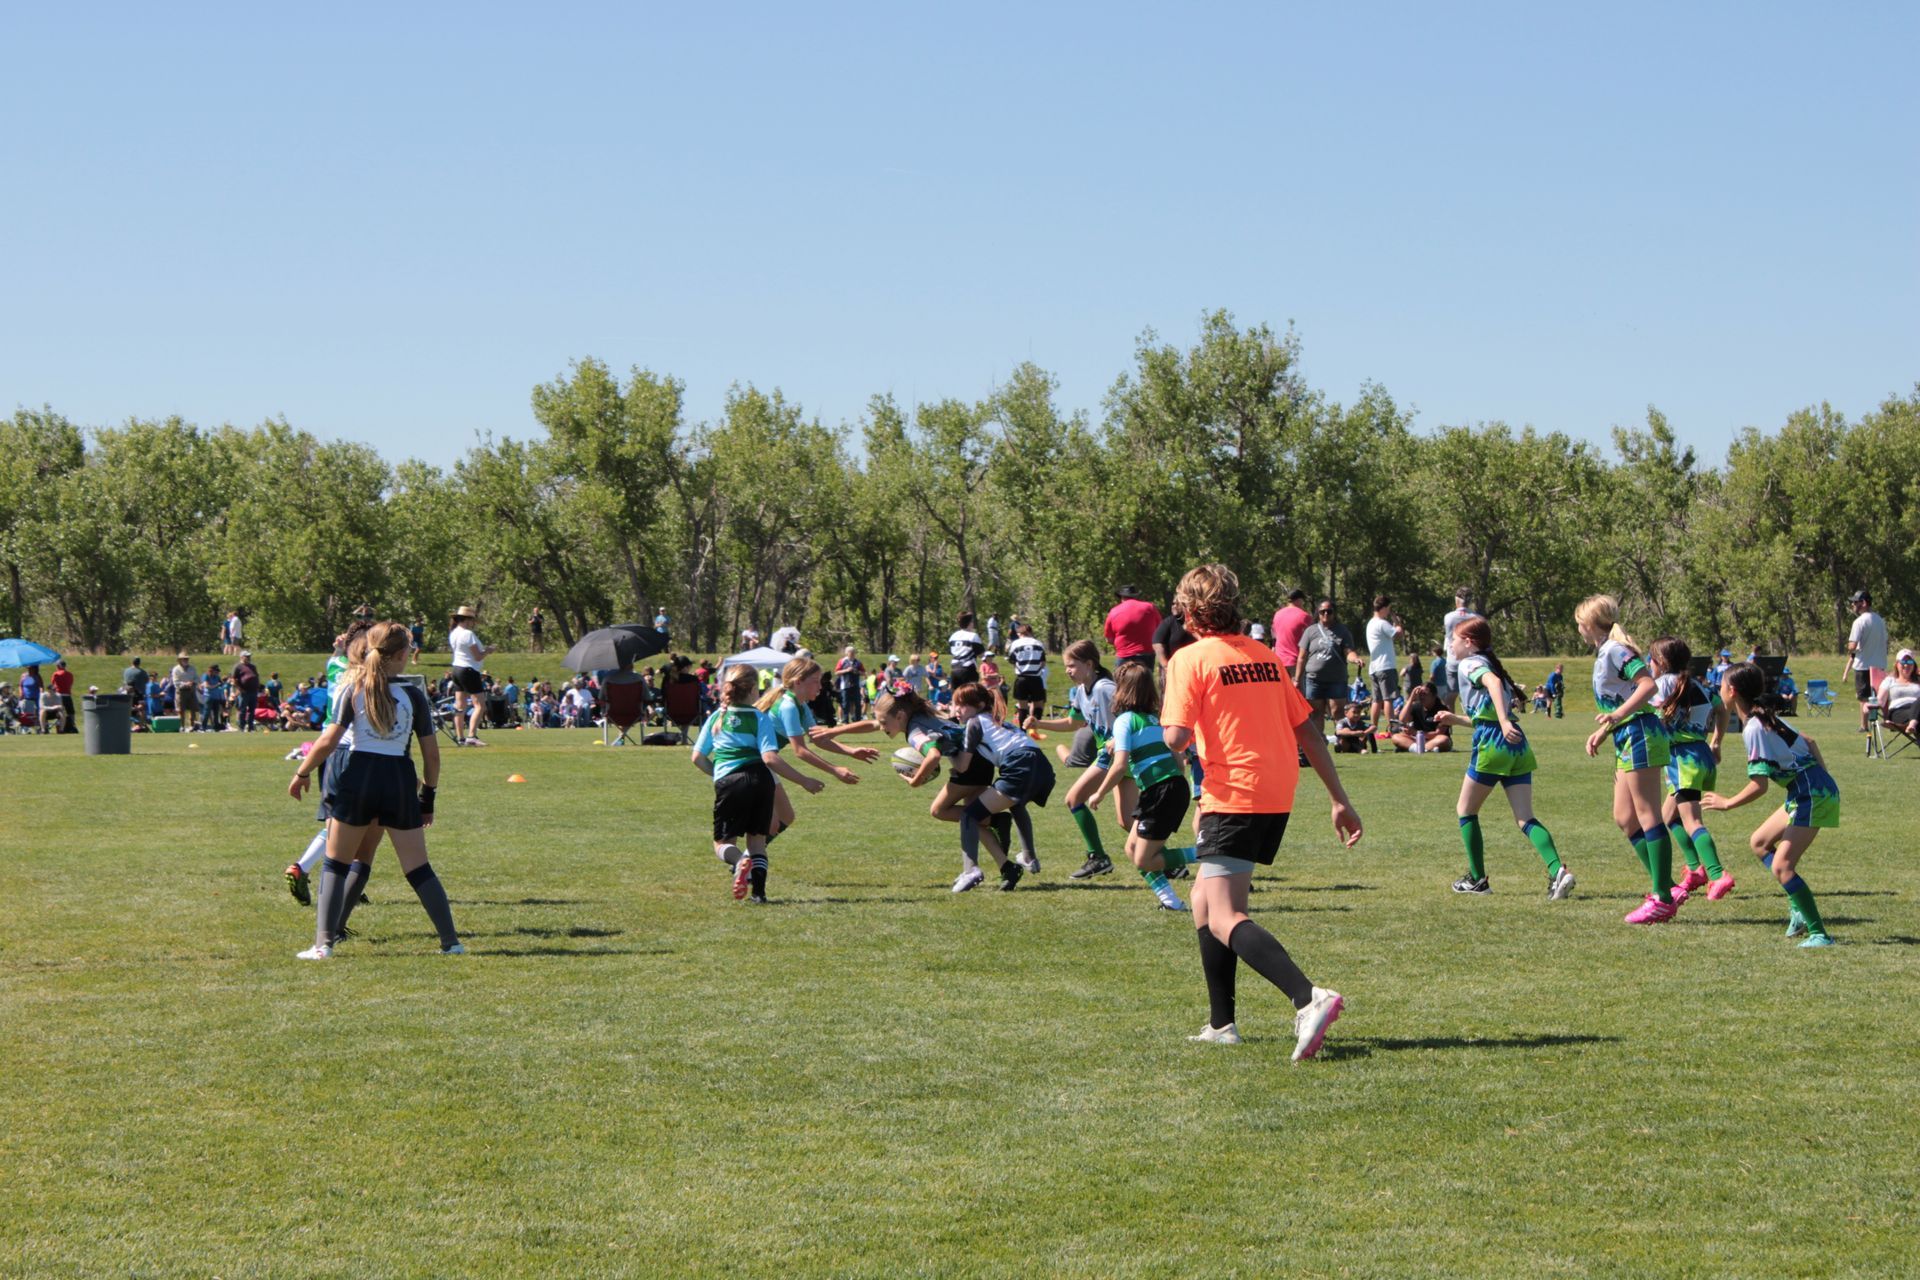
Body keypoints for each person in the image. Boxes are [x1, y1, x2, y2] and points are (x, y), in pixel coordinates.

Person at [1159, 563, 1358, 1060]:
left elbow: (1176, 737)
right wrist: (1339, 798)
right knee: (1203, 901)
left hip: (1235, 792)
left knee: (1224, 914)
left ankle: (1307, 997)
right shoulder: (1265, 656)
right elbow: (1306, 729)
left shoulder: (1189, 659)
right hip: (1274, 791)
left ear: (1189, 611)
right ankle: (1221, 1024)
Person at [288, 622, 463, 959]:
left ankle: (323, 945)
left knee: (335, 864)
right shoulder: (413, 695)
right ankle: (451, 943)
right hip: (399, 778)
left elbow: (328, 740)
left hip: (359, 777)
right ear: (403, 655)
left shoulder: (355, 688)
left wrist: (302, 772)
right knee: (419, 868)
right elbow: (431, 755)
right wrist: (427, 798)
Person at [1432, 617, 1572, 898]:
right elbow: (1487, 716)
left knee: (1466, 810)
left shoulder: (1470, 664)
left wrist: (1505, 721)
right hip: (1516, 744)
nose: (1451, 644)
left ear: (1468, 642)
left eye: (1454, 639)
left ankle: (1477, 880)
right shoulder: (1488, 662)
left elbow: (1494, 686)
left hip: (1494, 743)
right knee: (1525, 818)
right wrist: (1456, 719)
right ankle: (1558, 871)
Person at [1703, 662, 1839, 947]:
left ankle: (1819, 934)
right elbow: (1810, 741)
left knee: (1783, 867)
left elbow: (1759, 786)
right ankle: (1798, 909)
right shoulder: (1762, 717)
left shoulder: (1754, 727)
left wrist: (1727, 803)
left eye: (1721, 685)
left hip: (1811, 792)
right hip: (1807, 789)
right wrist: (1822, 777)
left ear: (1732, 690)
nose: (1718, 689)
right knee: (1760, 843)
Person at [1578, 594, 1682, 924]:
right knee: (1625, 817)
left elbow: (1647, 686)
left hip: (1641, 733)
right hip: (1627, 734)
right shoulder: (1604, 652)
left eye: (1579, 623)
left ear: (1589, 623)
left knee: (1648, 814)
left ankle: (1662, 898)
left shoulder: (1614, 650)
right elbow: (1620, 698)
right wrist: (1605, 730)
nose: (1578, 629)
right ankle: (1668, 885)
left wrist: (1616, 716)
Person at [695, 665, 822, 903]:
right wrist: (804, 780)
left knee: (722, 843)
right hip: (762, 780)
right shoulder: (759, 717)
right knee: (757, 842)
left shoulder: (716, 717)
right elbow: (769, 757)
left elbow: (697, 758)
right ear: (753, 689)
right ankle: (759, 894)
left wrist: (719, 775)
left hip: (730, 782)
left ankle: (739, 861)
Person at [869, 685, 1015, 892]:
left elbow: (934, 755)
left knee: (939, 810)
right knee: (972, 820)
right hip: (979, 759)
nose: (881, 727)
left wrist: (916, 781)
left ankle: (995, 824)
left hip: (968, 764)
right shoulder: (921, 714)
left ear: (900, 716)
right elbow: (871, 724)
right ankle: (1007, 867)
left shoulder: (914, 732)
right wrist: (836, 731)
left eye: (884, 723)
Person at [1085, 662, 1200, 911]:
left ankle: (1208, 854)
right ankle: (1170, 901)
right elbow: (1179, 763)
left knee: (1145, 859)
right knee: (1131, 848)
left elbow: (1119, 766)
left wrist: (1099, 793)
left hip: (1160, 792)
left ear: (1122, 690)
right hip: (1170, 787)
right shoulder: (1157, 720)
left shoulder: (1124, 721)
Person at [1024, 640, 1123, 883]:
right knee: (1127, 821)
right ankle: (1168, 863)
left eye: (1072, 665)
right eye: (1066, 666)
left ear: (1089, 664)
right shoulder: (1081, 691)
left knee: (1074, 799)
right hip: (1108, 754)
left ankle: (1099, 857)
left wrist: (1118, 740)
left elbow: (1133, 714)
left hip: (1117, 754)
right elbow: (1073, 723)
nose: (1068, 671)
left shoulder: (1106, 689)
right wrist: (1039, 723)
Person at [1648, 637, 1734, 900]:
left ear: (1661, 662)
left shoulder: (1662, 685)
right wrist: (1716, 741)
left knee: (1692, 822)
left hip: (1684, 759)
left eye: (1650, 659)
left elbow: (1646, 714)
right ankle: (1695, 869)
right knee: (1669, 817)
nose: (1649, 664)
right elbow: (1722, 709)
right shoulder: (1698, 684)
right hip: (1701, 755)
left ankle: (1717, 874)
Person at [948, 682, 1054, 890]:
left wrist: (948, 749)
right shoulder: (999, 721)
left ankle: (970, 870)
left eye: (962, 705)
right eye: (955, 704)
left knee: (969, 815)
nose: (957, 710)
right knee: (1016, 804)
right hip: (1043, 766)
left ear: (979, 705)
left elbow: (962, 766)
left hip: (1019, 765)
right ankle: (1029, 857)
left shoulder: (975, 723)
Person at [1293, 599, 1365, 734]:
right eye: (1322, 611)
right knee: (1316, 713)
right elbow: (1302, 657)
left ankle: (1342, 741)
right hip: (1313, 679)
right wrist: (1297, 679)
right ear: (1318, 613)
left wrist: (1355, 659)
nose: (1326, 614)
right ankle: (1319, 742)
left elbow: (1349, 652)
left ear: (1334, 613)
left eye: (1329, 611)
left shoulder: (1342, 631)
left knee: (1337, 712)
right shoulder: (1310, 631)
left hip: (1336, 679)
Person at [447, 605, 490, 746]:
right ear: (467, 620)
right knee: (480, 705)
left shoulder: (454, 633)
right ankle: (472, 735)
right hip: (469, 670)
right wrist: (488, 651)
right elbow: (477, 656)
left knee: (460, 706)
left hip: (457, 669)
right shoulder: (468, 634)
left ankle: (460, 737)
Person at [1846, 590, 1888, 733]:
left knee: (1863, 698)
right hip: (1879, 665)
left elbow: (1852, 646)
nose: (1852, 605)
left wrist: (1851, 648)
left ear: (1863, 603)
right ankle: (1882, 720)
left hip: (1863, 665)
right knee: (1877, 696)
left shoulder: (1859, 622)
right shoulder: (1880, 620)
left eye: (1855, 602)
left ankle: (1864, 725)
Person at [1363, 596, 1404, 737]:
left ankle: (1373, 729)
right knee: (1388, 699)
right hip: (1385, 666)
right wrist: (1397, 623)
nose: (1388, 612)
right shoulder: (1382, 623)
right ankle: (1393, 729)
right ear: (1384, 608)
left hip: (1374, 667)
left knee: (1376, 700)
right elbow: (1398, 634)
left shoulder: (1370, 623)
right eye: (1388, 609)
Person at [1439, 590, 1481, 711]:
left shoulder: (1448, 617)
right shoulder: (1476, 618)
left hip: (1453, 660)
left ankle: (1448, 721)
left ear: (1456, 600)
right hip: (1471, 660)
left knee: (1451, 695)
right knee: (1473, 694)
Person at [1103, 585, 1162, 670]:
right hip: (1146, 654)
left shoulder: (1114, 611)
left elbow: (1109, 639)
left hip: (1124, 655)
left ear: (1122, 597)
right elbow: (1160, 629)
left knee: (1122, 678)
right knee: (1146, 678)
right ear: (1136, 596)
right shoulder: (1150, 607)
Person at [1006, 622, 1048, 727]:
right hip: (1036, 678)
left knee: (1022, 707)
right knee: (1038, 705)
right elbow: (1043, 663)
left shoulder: (1015, 643)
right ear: (1030, 632)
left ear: (1020, 633)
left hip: (1021, 678)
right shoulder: (1038, 643)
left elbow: (1012, 660)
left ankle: (1022, 730)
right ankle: (1034, 729)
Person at [1389, 684, 1451, 753]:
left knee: (1444, 739)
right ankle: (1422, 749)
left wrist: (1415, 732)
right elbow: (1402, 720)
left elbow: (1438, 733)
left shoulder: (1443, 710)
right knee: (1396, 737)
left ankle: (1413, 748)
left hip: (1434, 739)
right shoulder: (1416, 706)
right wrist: (1411, 698)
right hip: (1417, 740)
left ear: (1434, 696)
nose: (1422, 697)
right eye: (1420, 694)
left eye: (1425, 694)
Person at [1875, 649, 1920, 746]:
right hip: (1898, 712)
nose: (1906, 665)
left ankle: (1912, 724)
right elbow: (1880, 700)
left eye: (1910, 662)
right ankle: (1913, 723)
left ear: (1914, 665)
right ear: (1896, 664)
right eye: (1903, 662)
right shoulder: (1890, 680)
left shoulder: (1918, 681)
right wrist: (1870, 705)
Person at [1269, 590, 1313, 673]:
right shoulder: (1304, 616)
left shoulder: (1277, 614)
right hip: (1296, 662)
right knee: (1296, 682)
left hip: (1278, 661)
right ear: (1299, 600)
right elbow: (1314, 636)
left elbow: (1274, 635)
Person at [947, 614, 985, 689]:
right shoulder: (973, 636)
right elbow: (981, 655)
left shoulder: (953, 636)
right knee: (970, 695)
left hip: (954, 670)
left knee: (956, 695)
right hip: (968, 670)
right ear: (969, 623)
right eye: (972, 622)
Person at [832, 646, 865, 721]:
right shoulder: (842, 661)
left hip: (856, 685)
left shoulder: (858, 662)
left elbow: (863, 673)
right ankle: (845, 720)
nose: (852, 653)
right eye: (850, 652)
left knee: (857, 703)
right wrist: (846, 670)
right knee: (845, 703)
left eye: (853, 652)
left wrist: (857, 671)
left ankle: (858, 719)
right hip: (845, 686)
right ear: (846, 653)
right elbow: (836, 672)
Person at [231, 651, 262, 732]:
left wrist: (257, 685)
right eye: (246, 656)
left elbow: (256, 676)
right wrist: (240, 689)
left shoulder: (253, 666)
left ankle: (250, 727)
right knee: (243, 709)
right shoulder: (238, 667)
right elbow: (234, 679)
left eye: (249, 656)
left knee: (252, 710)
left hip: (253, 691)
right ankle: (242, 726)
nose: (248, 658)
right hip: (244, 691)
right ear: (241, 657)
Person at [49, 660, 76, 734]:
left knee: (59, 712)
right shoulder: (70, 674)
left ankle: (60, 727)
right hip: (67, 695)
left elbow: (52, 685)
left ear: (58, 666)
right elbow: (70, 684)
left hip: (59, 695)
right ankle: (72, 726)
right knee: (71, 712)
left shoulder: (55, 674)